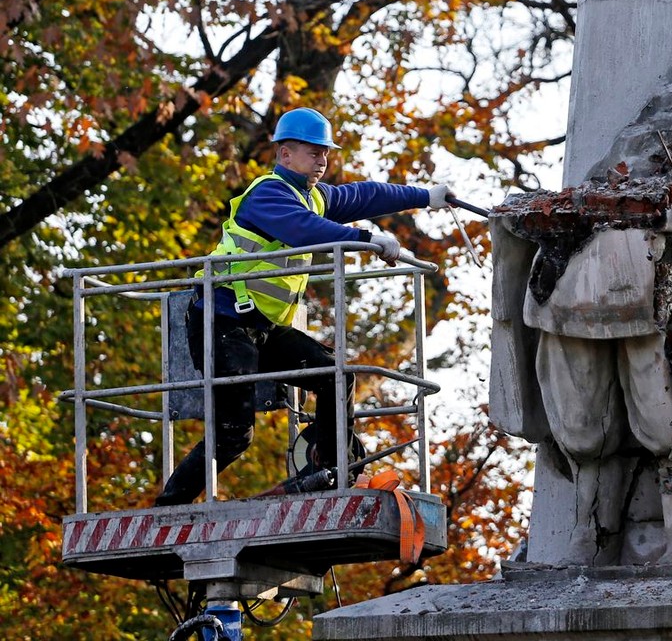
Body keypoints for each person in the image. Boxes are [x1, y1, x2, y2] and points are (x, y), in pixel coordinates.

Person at [155, 107, 453, 506]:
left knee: (334, 373)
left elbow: (365, 194)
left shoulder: (312, 197)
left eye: (325, 153)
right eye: (314, 152)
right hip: (221, 322)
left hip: (260, 326)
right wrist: (365, 238)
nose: (323, 160)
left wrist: (426, 196)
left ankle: (332, 471)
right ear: (285, 155)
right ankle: (169, 505)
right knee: (233, 434)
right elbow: (303, 230)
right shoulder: (268, 196)